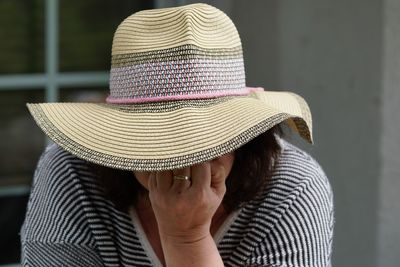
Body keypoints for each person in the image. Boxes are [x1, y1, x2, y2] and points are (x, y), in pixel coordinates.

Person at [21, 3, 333, 267]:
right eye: (159, 135)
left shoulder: (292, 186)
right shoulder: (71, 171)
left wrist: (187, 238)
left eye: (211, 133)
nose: (186, 153)